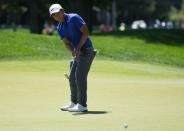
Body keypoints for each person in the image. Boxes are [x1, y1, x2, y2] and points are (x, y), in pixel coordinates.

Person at [49, 4, 96, 112]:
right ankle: (73, 103)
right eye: (54, 15)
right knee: (72, 78)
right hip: (78, 53)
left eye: (58, 13)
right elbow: (66, 42)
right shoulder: (59, 27)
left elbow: (85, 33)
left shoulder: (73, 18)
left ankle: (82, 105)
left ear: (62, 10)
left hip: (87, 51)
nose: (57, 16)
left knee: (79, 77)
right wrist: (73, 51)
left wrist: (78, 48)